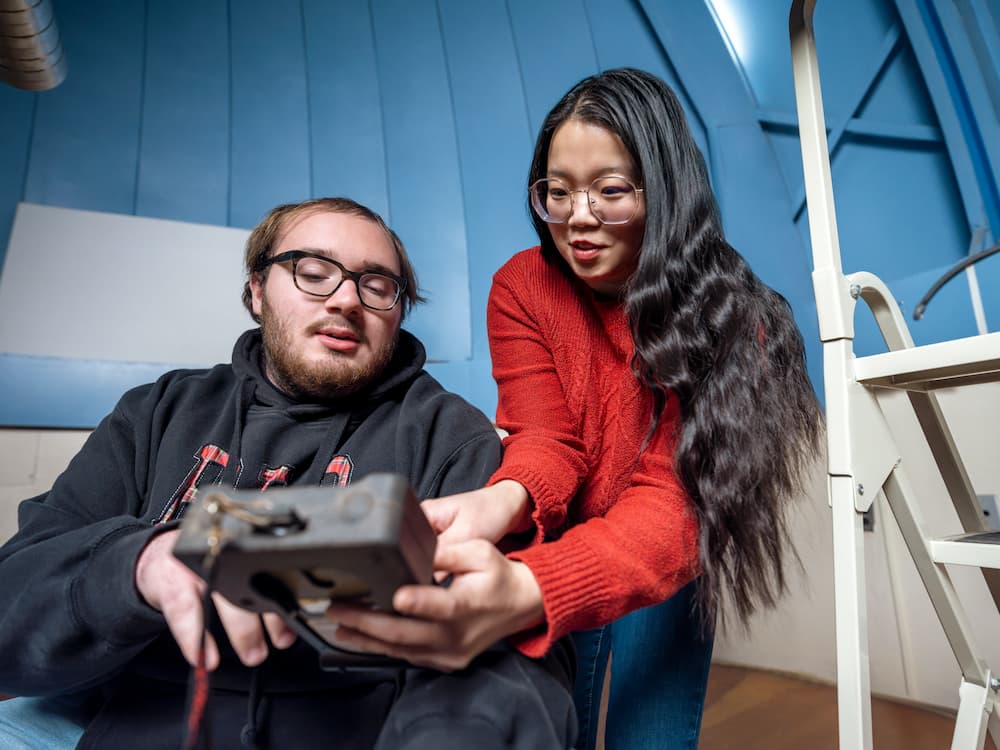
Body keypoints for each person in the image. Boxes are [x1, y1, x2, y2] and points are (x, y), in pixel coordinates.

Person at [320, 69, 824, 749]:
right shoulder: (522, 286)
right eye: (557, 193)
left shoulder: (733, 315)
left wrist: (531, 586)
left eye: (610, 191)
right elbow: (548, 438)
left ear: (664, 190)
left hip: (667, 552)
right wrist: (501, 501)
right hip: (557, 537)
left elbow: (675, 501)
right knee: (562, 723)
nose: (578, 218)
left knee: (653, 735)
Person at [0, 197, 578, 750]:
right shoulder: (157, 411)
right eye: (313, 271)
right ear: (257, 290)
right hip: (114, 721)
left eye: (377, 285)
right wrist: (138, 566)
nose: (346, 300)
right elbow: (13, 607)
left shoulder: (452, 436)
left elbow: (508, 653)